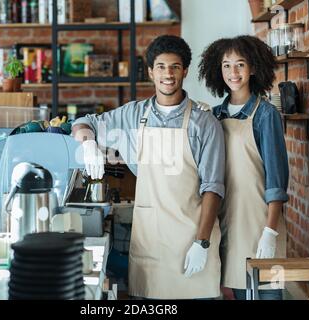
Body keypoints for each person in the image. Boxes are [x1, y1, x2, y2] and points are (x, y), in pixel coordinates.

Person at [72, 35, 225, 299]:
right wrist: (88, 144)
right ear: (152, 72)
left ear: (185, 71)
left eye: (175, 67)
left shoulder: (205, 123)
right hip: (150, 244)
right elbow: (84, 122)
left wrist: (201, 242)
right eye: (162, 67)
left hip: (192, 239)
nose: (168, 74)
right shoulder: (132, 115)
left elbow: (213, 188)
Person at [198, 35, 289, 300]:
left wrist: (270, 232)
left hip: (260, 223)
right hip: (226, 223)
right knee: (237, 292)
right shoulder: (212, 116)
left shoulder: (265, 114)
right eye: (226, 65)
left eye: (240, 64)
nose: (233, 72)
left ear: (253, 68)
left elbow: (276, 180)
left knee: (268, 293)